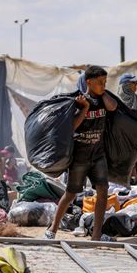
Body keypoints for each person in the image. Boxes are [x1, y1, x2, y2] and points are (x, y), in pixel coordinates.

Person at [45, 65, 118, 241]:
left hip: (98, 155)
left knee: (102, 191)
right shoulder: (78, 101)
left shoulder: (103, 99)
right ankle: (53, 229)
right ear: (89, 82)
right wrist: (85, 108)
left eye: (105, 82)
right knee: (71, 193)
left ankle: (96, 235)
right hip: (80, 156)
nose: (103, 85)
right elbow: (72, 127)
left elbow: (113, 107)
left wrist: (102, 92)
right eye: (100, 82)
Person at [117, 73, 137, 184]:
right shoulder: (115, 102)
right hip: (121, 141)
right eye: (133, 83)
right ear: (125, 85)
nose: (136, 85)